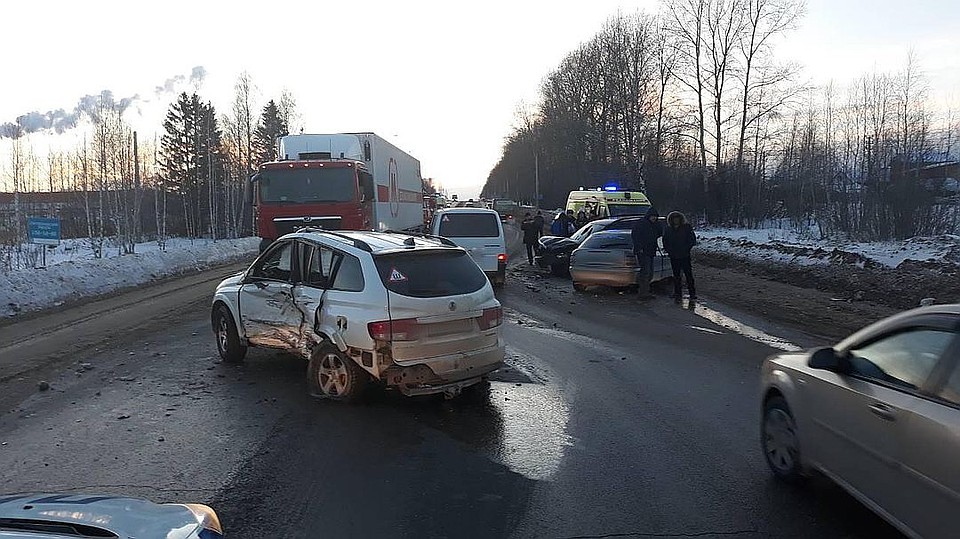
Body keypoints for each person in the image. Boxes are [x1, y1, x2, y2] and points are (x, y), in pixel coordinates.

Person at [663, 211, 697, 301]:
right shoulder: (668, 229)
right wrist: (669, 250)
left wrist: (686, 248)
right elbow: (665, 241)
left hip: (684, 255)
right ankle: (677, 293)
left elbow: (692, 240)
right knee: (676, 276)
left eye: (677, 218)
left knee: (688, 275)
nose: (676, 220)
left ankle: (692, 293)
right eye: (674, 219)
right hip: (673, 255)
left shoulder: (686, 227)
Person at [631, 207, 662, 300]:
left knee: (649, 272)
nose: (654, 218)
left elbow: (659, 234)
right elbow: (635, 236)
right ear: (649, 216)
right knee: (646, 272)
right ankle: (642, 292)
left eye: (655, 217)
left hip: (650, 250)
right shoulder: (641, 224)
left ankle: (645, 291)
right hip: (643, 251)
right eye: (653, 217)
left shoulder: (655, 225)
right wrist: (639, 247)